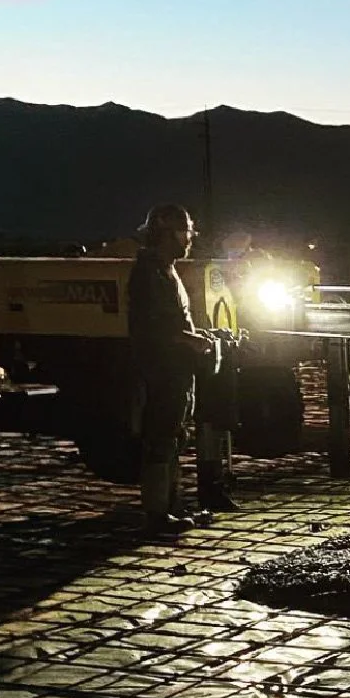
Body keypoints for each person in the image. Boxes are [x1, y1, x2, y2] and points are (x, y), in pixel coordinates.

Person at [126, 204, 216, 537]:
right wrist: (191, 341)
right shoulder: (150, 273)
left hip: (174, 370)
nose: (190, 238)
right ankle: (156, 514)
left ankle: (170, 507)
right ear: (167, 233)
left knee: (174, 437)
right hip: (161, 370)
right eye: (186, 231)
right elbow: (155, 326)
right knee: (161, 438)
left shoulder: (164, 269)